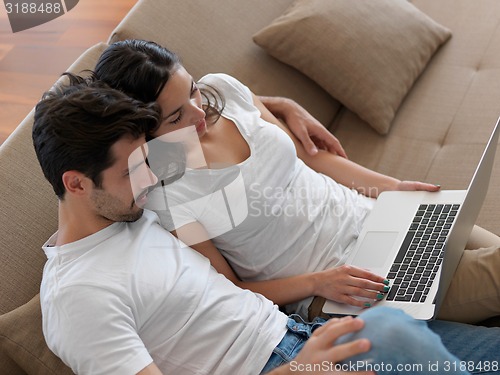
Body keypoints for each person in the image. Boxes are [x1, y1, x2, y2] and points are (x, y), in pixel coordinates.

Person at [33, 76, 500, 375]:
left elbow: (178, 105)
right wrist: (303, 369)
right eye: (134, 170)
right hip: (287, 362)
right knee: (392, 328)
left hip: (302, 335)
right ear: (75, 183)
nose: (154, 176)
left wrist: (273, 105)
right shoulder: (79, 297)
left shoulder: (129, 206)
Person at [94, 39, 500, 323]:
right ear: (141, 127)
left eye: (193, 93)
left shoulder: (224, 89)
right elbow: (233, 287)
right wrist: (320, 283)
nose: (199, 114)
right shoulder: (166, 191)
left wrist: (393, 186)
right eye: (175, 117)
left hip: (379, 217)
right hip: (343, 285)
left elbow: (313, 159)